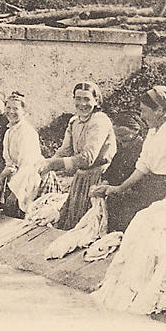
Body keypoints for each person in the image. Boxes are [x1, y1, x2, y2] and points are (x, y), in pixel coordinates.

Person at [90, 86, 166, 240]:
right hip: (153, 187)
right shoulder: (153, 131)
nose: (142, 116)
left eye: (144, 111)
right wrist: (118, 188)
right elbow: (143, 166)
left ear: (159, 111)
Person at [37, 81, 117, 230]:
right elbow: (65, 150)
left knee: (87, 226)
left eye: (87, 99)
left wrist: (55, 164)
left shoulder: (99, 121)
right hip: (81, 178)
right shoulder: (74, 121)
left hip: (98, 178)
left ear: (96, 100)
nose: (82, 104)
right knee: (70, 220)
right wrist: (46, 164)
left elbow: (87, 158)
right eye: (78, 98)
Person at [0, 91, 43, 219]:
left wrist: (15, 193)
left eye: (15, 108)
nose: (11, 112)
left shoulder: (27, 132)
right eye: (8, 108)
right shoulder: (9, 132)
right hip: (15, 179)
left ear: (24, 111)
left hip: (30, 180)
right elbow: (9, 163)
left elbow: (28, 166)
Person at [98, 111, 146, 232]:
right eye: (117, 136)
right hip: (118, 199)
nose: (119, 139)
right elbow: (112, 170)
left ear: (136, 130)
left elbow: (141, 178)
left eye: (123, 134)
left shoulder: (144, 149)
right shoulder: (123, 148)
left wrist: (119, 189)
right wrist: (105, 182)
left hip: (134, 202)